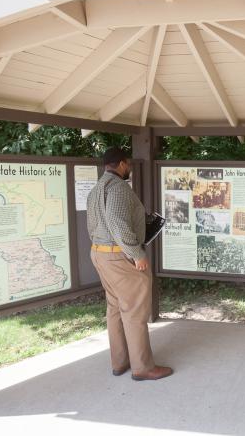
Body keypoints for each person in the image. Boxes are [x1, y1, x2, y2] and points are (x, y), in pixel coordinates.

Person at [87, 147, 173, 381]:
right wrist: (137, 254)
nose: (131, 169)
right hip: (119, 257)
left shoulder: (96, 190)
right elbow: (117, 223)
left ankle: (120, 362)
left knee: (115, 308)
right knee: (134, 310)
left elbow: (94, 225)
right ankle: (142, 367)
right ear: (122, 164)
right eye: (129, 165)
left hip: (100, 253)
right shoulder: (119, 188)